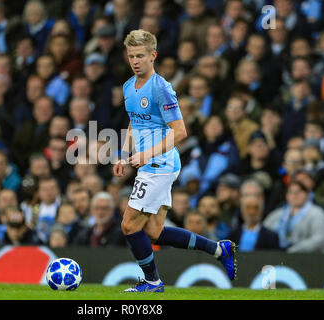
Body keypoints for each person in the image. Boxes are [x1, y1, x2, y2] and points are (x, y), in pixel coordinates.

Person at [113, 29, 237, 293]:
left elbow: (180, 131)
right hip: (150, 164)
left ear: (153, 56)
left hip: (160, 164)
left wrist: (147, 154)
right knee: (155, 232)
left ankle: (153, 282)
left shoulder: (161, 88)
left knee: (129, 224)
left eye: (141, 56)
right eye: (131, 56)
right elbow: (134, 123)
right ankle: (218, 249)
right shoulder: (128, 86)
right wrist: (123, 154)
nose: (135, 61)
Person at [263, 181, 324, 253]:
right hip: (280, 255)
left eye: (299, 192)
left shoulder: (317, 213)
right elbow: (263, 232)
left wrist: (293, 250)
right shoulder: (276, 214)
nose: (294, 195)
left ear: (307, 194)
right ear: (286, 196)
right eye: (291, 192)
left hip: (313, 258)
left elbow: (320, 239)